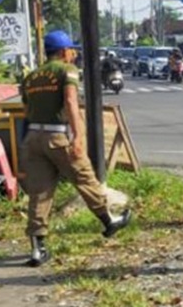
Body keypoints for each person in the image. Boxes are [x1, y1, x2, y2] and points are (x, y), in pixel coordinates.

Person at [20, 30, 131, 267]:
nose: (73, 54)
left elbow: (26, 111)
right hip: (57, 136)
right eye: (71, 49)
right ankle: (109, 220)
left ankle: (37, 248)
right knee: (84, 177)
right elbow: (70, 101)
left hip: (32, 138)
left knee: (39, 192)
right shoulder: (67, 70)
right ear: (63, 51)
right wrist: (78, 136)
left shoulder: (30, 77)